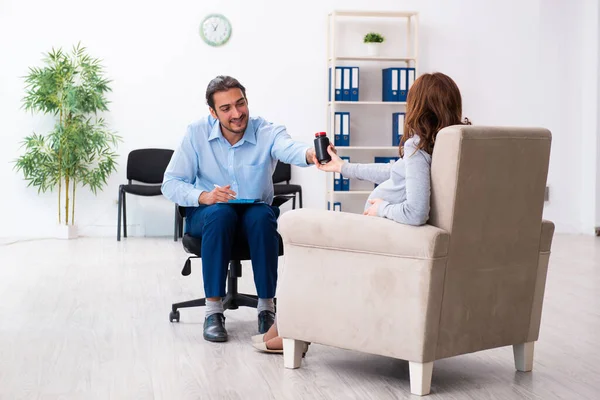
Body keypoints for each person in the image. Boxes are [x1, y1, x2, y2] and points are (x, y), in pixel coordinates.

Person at [252, 72, 470, 353]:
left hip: (388, 231)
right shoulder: (446, 142)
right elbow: (394, 173)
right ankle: (284, 327)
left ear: (417, 105)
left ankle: (294, 333)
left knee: (310, 253)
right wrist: (344, 167)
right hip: (397, 233)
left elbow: (416, 212)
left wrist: (381, 210)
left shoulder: (417, 146)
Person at [162, 76, 316, 343]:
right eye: (226, 108)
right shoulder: (196, 133)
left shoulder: (267, 131)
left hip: (252, 215)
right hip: (209, 213)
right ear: (212, 112)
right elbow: (170, 183)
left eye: (240, 103)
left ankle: (267, 309)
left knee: (261, 215)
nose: (236, 114)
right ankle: (213, 311)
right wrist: (204, 196)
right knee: (221, 213)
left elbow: (289, 149)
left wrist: (311, 154)